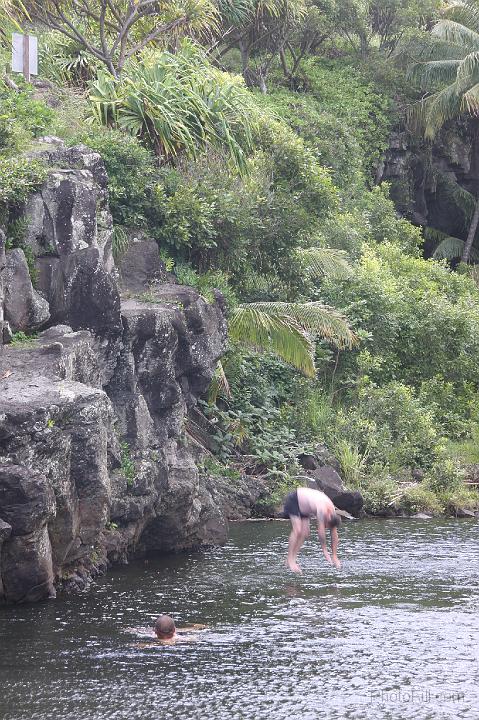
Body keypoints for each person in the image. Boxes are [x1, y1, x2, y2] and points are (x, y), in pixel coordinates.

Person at [284, 486, 341, 574]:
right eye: (327, 525)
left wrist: (334, 555)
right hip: (295, 500)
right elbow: (321, 532)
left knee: (305, 533)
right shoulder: (322, 510)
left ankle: (292, 559)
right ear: (327, 518)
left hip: (304, 508)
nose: (326, 527)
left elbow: (334, 534)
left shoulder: (332, 514)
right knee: (298, 530)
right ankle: (290, 559)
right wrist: (325, 551)